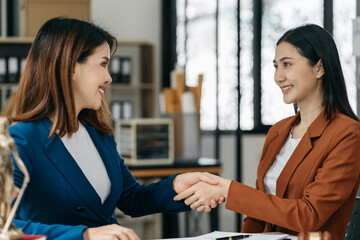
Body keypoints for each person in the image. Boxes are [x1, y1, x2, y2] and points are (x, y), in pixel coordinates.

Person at [8, 17, 221, 240]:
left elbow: (130, 198)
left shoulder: (98, 134)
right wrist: (86, 235)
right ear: (70, 65)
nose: (108, 78)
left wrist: (176, 185)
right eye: (102, 64)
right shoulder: (20, 139)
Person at [174, 24, 360, 240]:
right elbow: (257, 214)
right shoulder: (279, 131)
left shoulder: (348, 134)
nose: (278, 76)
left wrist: (229, 190)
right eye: (275, 66)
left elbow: (310, 216)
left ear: (319, 68)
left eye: (287, 64)